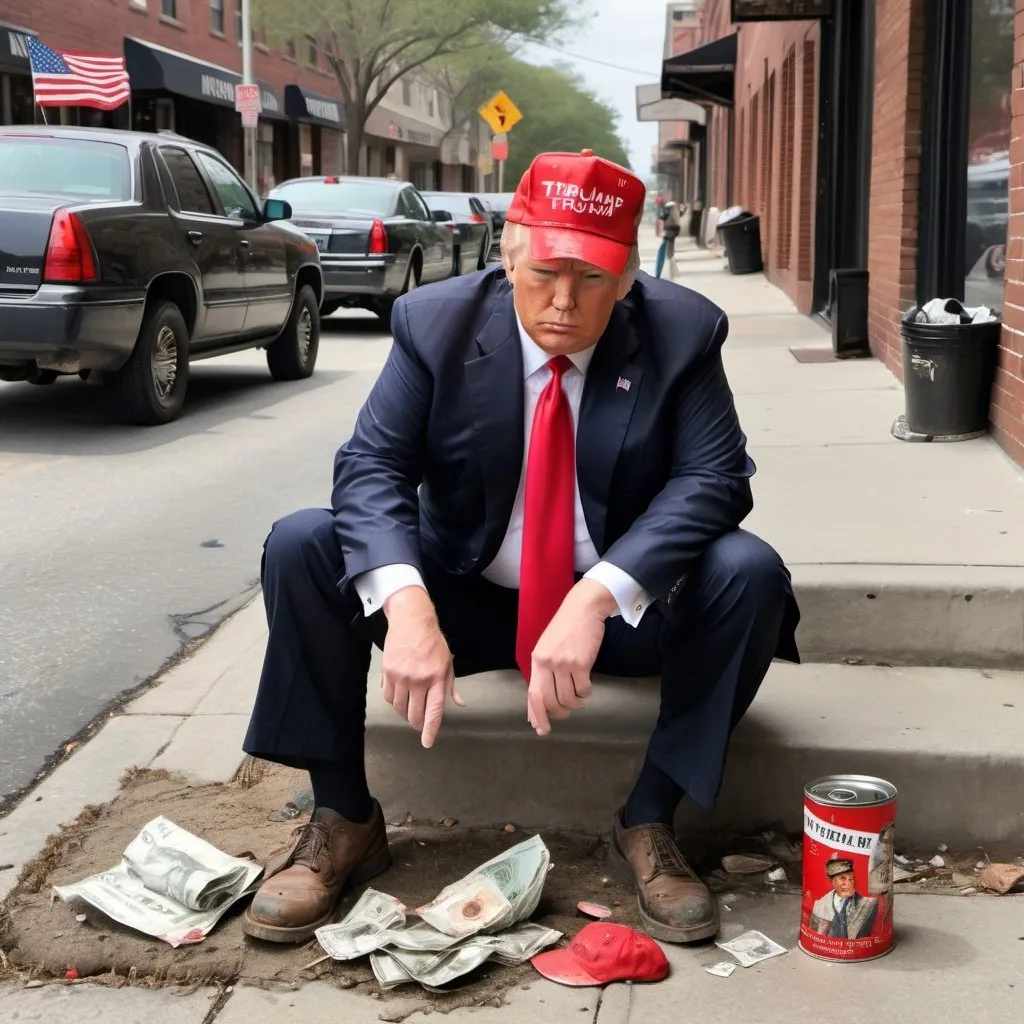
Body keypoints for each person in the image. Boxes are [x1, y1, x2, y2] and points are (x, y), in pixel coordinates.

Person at [240, 149, 800, 946]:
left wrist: (598, 593)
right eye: (544, 273)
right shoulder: (436, 324)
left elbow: (716, 480)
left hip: (611, 622)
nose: (565, 302)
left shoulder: (683, 332)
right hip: (464, 600)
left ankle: (648, 820)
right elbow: (372, 467)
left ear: (630, 276)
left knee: (749, 571)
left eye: (594, 279)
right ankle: (344, 818)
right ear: (508, 255)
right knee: (302, 543)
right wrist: (405, 605)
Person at [808, 857, 879, 939]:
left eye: (851, 879)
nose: (848, 884)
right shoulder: (820, 905)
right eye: (842, 878)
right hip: (828, 948)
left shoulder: (869, 904)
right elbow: (814, 936)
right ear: (830, 879)